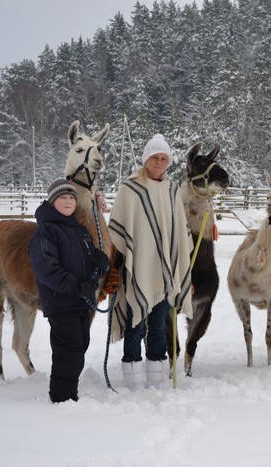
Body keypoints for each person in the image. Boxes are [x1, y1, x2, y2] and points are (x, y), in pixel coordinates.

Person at [108, 134, 193, 390]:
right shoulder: (130, 188)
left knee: (158, 327)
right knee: (135, 325)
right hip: (138, 270)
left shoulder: (173, 189)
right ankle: (133, 376)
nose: (159, 162)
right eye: (154, 158)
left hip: (165, 274)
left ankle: (155, 377)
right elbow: (118, 229)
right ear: (146, 159)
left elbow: (179, 231)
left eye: (163, 158)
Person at [29, 178, 110, 403]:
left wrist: (98, 263)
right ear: (52, 201)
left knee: (80, 345)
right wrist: (75, 286)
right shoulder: (46, 232)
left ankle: (67, 391)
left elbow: (85, 261)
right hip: (61, 302)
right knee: (69, 350)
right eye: (62, 198)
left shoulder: (80, 230)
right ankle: (62, 398)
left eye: (71, 198)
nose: (67, 202)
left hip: (80, 301)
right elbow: (47, 268)